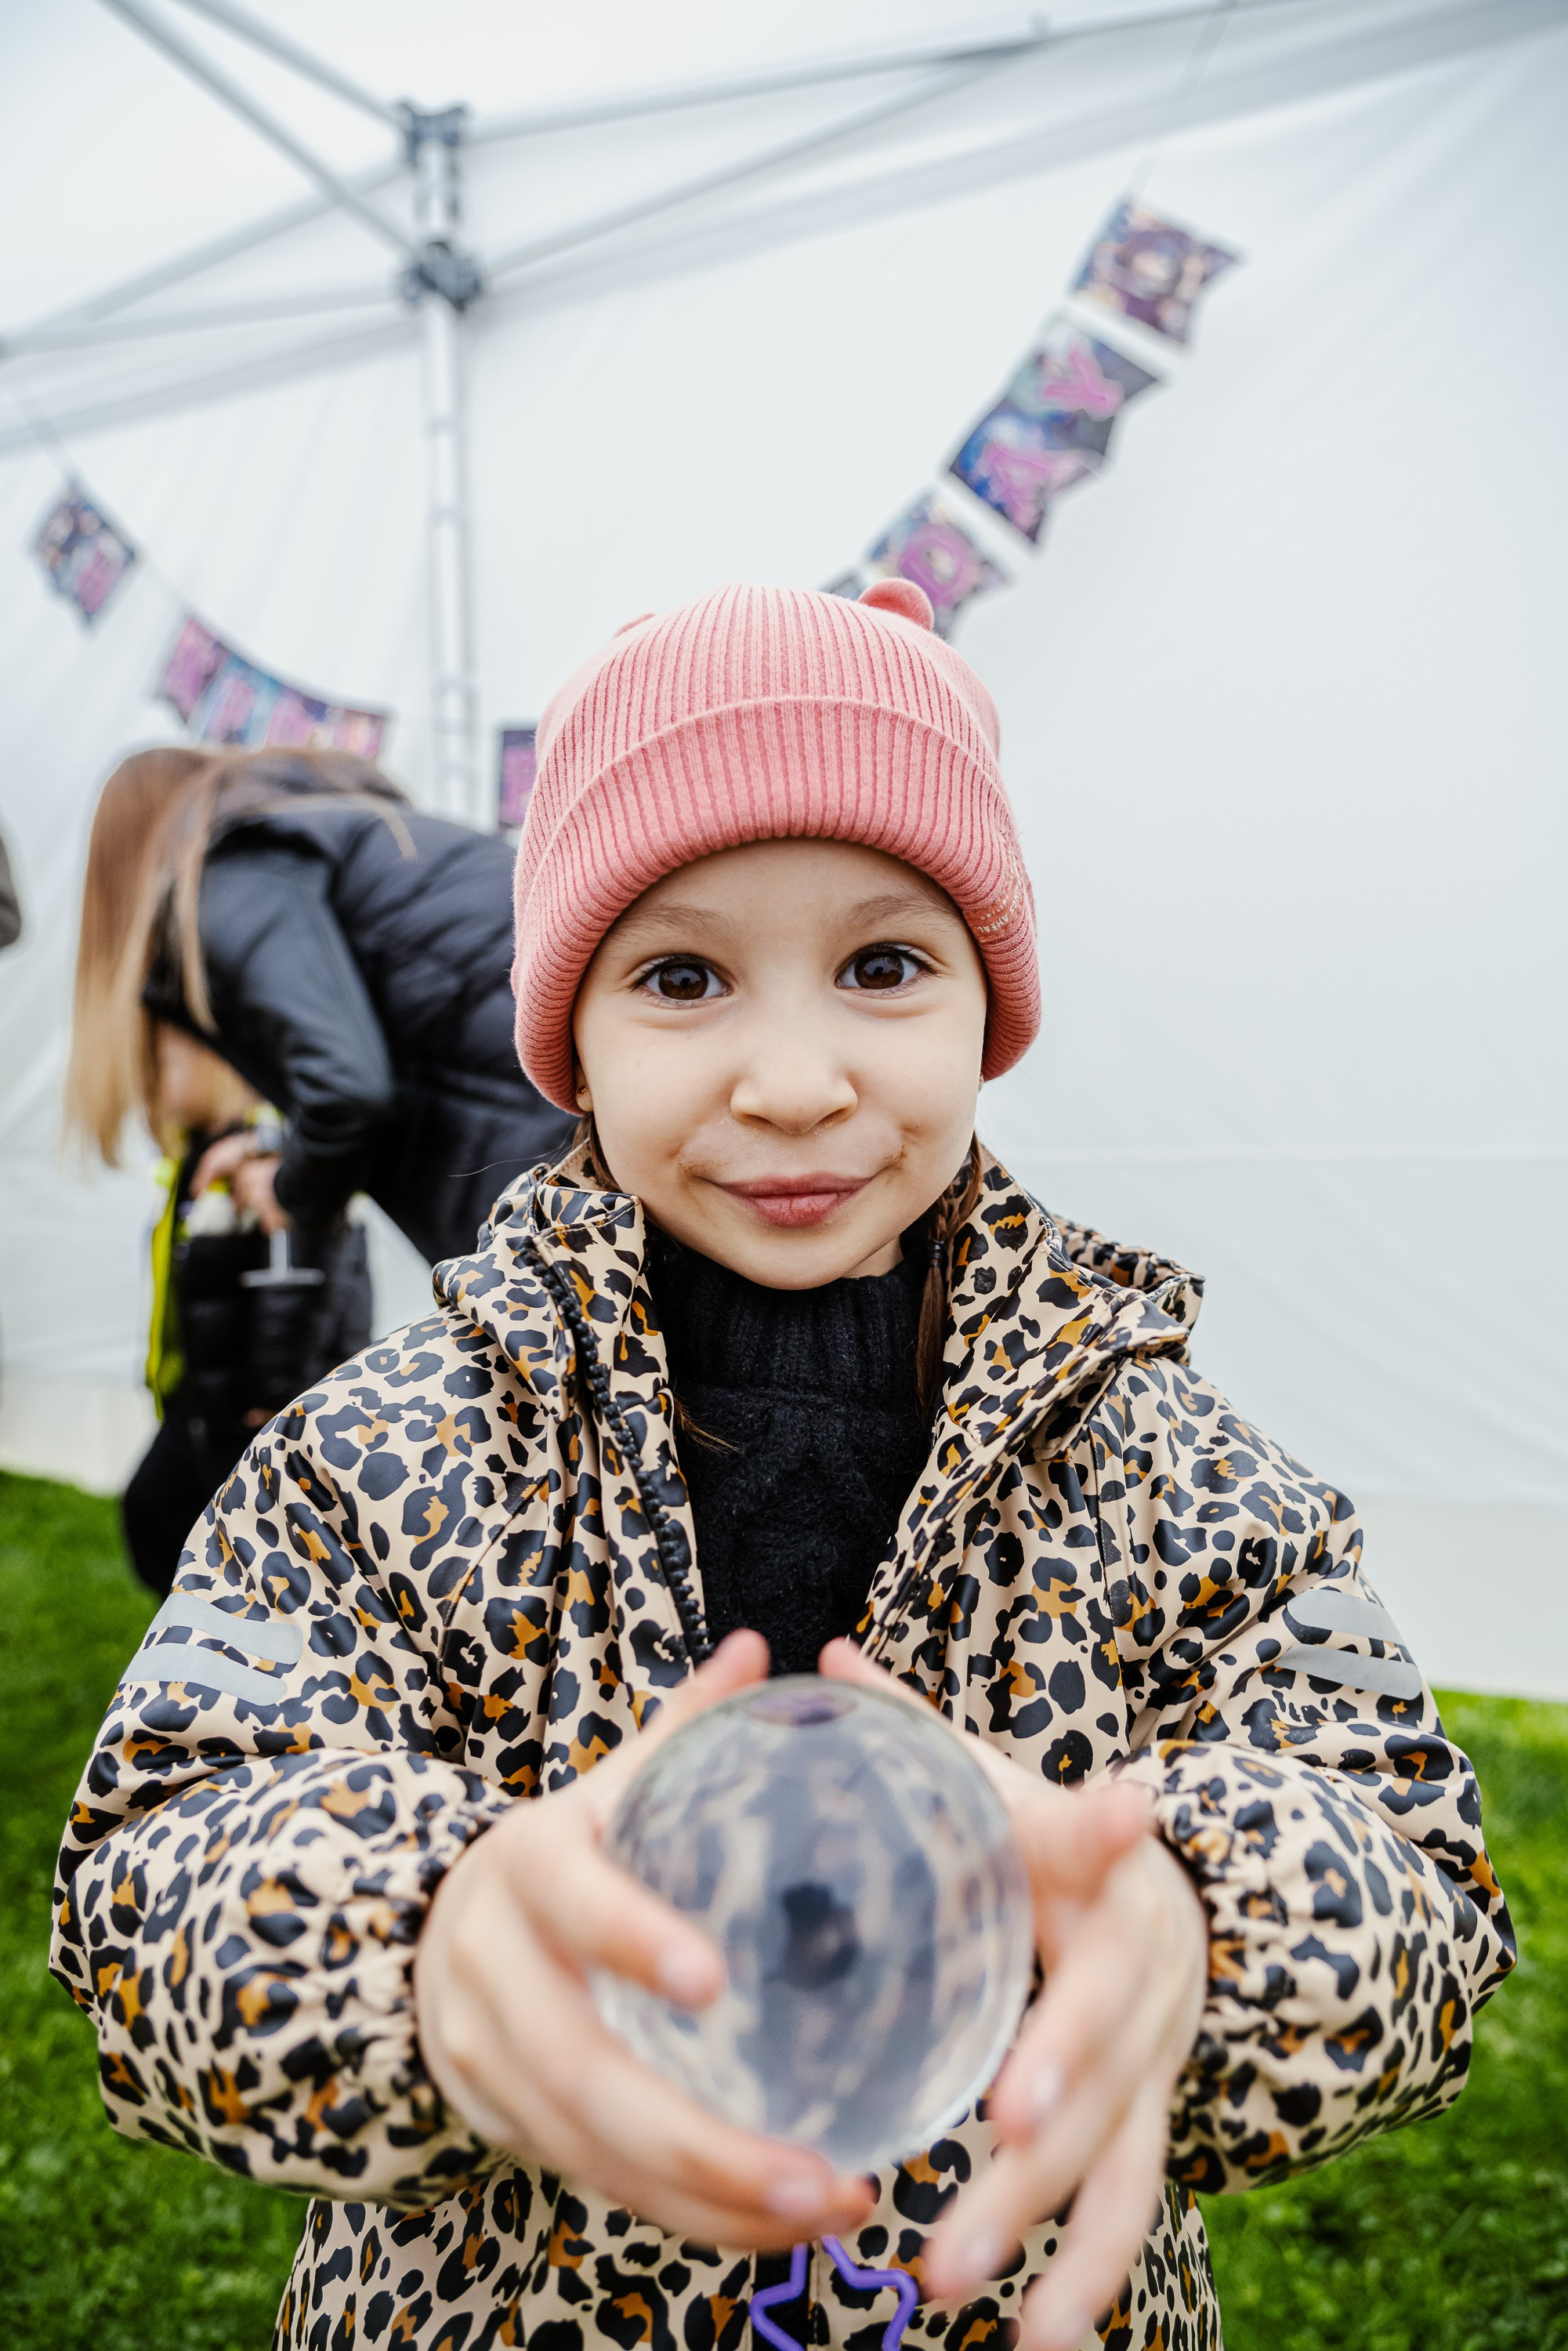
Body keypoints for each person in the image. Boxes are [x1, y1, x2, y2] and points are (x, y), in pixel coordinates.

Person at [53, 582, 1514, 2351]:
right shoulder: (386, 1456)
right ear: (565, 1042)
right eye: (681, 978)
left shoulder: (1152, 1453)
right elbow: (153, 1859)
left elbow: (1416, 1859)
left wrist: (1208, 1917)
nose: (798, 1080)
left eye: (883, 967)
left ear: (990, 1009)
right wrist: (418, 1939)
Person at [66, 742, 574, 1270]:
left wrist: (288, 1192)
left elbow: (344, 1091)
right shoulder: (337, 836)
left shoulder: (232, 868)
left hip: (547, 1160)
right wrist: (285, 1155)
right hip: (571, 1122)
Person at [119, 1021, 371, 1598]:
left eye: (163, 1064)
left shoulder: (267, 1152)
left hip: (255, 1402)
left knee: (205, 1529)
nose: (148, 1081)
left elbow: (320, 1281)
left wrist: (284, 1390)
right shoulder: (199, 1150)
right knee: (165, 1516)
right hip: (201, 1386)